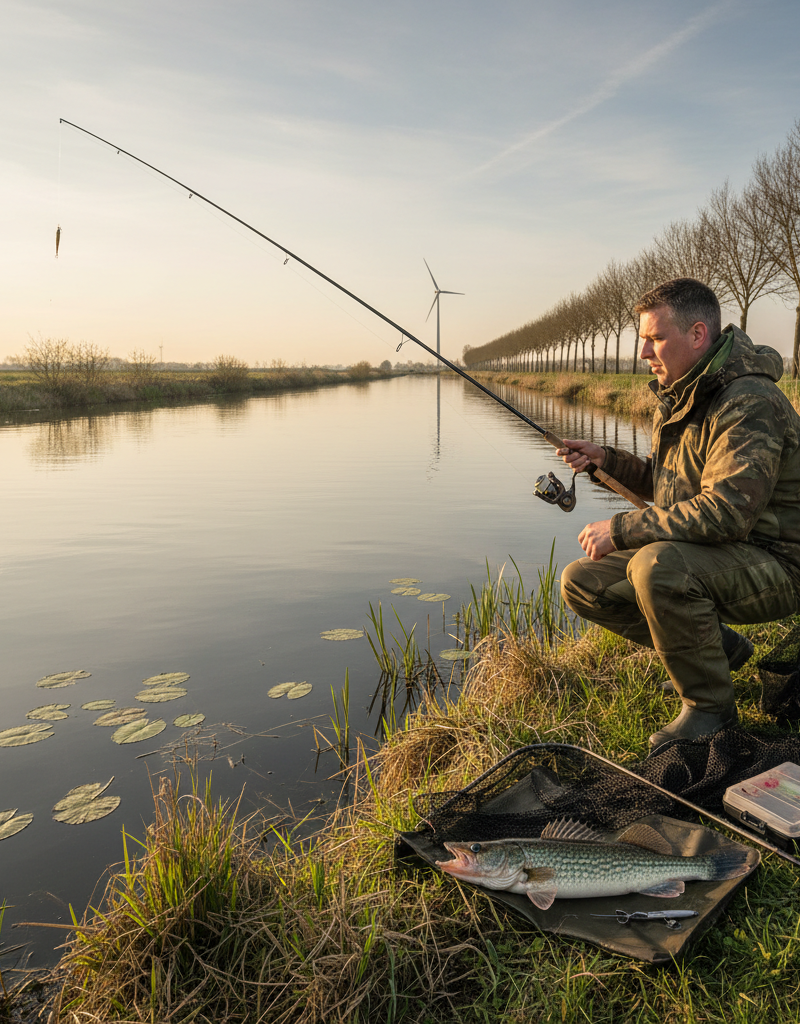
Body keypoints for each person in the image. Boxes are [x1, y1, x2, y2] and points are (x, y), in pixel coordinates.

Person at [558, 278, 800, 751]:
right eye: (642, 339)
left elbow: (725, 513)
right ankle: (719, 653)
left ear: (696, 335)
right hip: (723, 554)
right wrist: (607, 460)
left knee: (657, 565)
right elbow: (672, 485)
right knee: (581, 582)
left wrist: (621, 529)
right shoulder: (684, 392)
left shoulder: (749, 401)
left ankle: (709, 709)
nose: (643, 352)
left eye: (655, 338)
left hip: (779, 563)